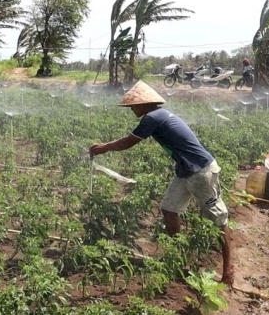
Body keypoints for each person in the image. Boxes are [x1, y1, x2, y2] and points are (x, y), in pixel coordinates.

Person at [89, 80, 234, 286]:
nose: (132, 110)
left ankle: (229, 270)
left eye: (133, 106)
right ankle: (177, 257)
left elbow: (129, 141)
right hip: (185, 170)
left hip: (201, 171)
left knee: (217, 220)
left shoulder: (153, 117)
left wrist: (105, 147)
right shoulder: (160, 115)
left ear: (143, 104)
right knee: (169, 209)